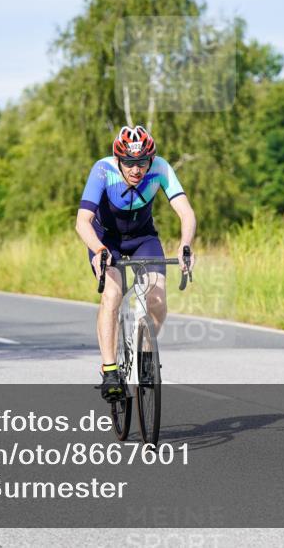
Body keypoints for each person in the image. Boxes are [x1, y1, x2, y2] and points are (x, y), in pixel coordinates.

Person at [75, 125, 196, 402]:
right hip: (107, 241)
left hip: (142, 238)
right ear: (118, 159)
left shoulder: (161, 169)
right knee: (113, 294)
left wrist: (185, 244)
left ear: (150, 159)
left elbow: (186, 212)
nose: (136, 169)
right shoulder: (103, 170)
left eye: (141, 162)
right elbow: (82, 221)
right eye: (129, 162)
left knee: (157, 297)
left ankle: (143, 356)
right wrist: (98, 249)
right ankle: (110, 371)